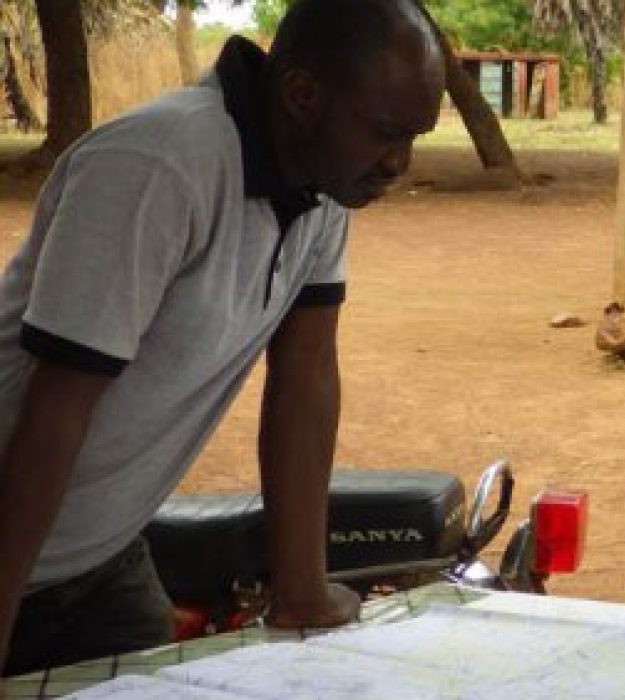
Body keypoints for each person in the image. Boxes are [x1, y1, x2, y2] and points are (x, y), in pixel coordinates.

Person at [0, 0, 444, 675]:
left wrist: (300, 591)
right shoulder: (157, 165)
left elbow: (307, 374)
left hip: (96, 558)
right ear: (302, 96)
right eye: (386, 133)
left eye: (414, 137)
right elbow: (57, 408)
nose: (398, 163)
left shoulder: (319, 191)